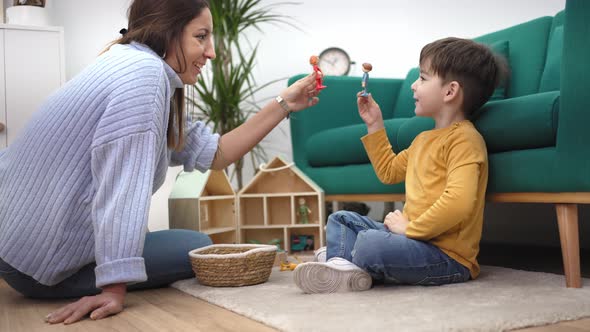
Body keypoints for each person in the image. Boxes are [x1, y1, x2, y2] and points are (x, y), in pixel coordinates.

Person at [0, 0, 320, 324]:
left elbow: (217, 153)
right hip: (37, 265)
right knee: (194, 246)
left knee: (172, 241)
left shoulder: (132, 65)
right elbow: (122, 189)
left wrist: (285, 103)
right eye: (201, 37)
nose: (210, 52)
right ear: (167, 33)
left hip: (15, 246)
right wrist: (113, 289)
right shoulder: (145, 77)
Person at [294, 37, 508, 294]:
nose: (414, 86)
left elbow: (459, 202)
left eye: (423, 78)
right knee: (340, 218)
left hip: (446, 256)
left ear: (450, 91)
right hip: (410, 238)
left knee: (369, 242)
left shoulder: (465, 140)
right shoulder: (423, 140)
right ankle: (343, 266)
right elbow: (388, 172)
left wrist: (411, 228)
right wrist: (374, 124)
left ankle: (343, 259)